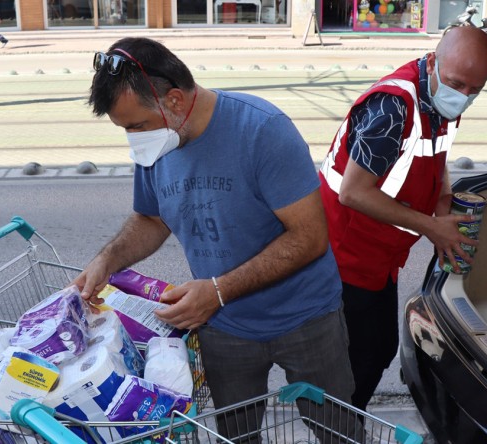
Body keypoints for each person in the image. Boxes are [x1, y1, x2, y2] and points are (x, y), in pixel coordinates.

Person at [77, 37, 355, 442]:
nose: (134, 139)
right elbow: (152, 219)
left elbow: (310, 237)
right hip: (224, 328)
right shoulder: (159, 141)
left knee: (338, 432)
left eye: (136, 126)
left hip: (306, 317)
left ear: (174, 100)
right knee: (236, 435)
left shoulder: (262, 130)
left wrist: (218, 291)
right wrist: (106, 261)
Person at [318, 26, 487, 411]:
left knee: (379, 348)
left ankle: (346, 421)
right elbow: (353, 192)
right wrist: (432, 227)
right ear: (432, 63)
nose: (463, 96)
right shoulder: (392, 108)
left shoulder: (440, 98)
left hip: (382, 253)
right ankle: (339, 426)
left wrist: (443, 198)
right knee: (360, 356)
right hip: (346, 253)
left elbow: (436, 152)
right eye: (457, 84)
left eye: (474, 90)